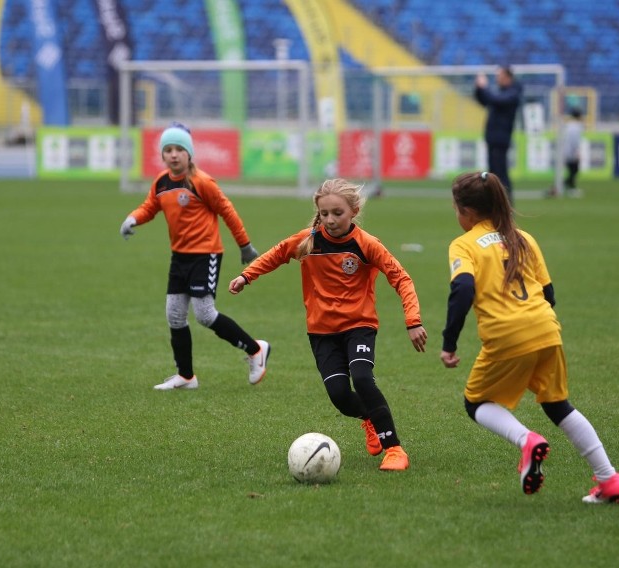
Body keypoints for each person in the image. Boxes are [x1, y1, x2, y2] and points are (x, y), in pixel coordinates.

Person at [440, 171, 619, 504]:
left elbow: (463, 288)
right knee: (558, 405)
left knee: (476, 402)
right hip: (546, 329)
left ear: (466, 212)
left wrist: (449, 343)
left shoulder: (464, 244)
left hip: (507, 336)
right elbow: (549, 292)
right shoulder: (523, 237)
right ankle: (610, 479)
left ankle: (527, 440)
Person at [228, 178, 428, 471]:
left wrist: (413, 321)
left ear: (354, 211)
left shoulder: (366, 244)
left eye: (338, 213)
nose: (331, 220)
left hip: (359, 325)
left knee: (361, 378)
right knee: (338, 394)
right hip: (321, 331)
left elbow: (401, 278)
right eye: (325, 214)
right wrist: (247, 276)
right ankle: (369, 418)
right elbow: (277, 254)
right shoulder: (308, 241)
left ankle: (394, 449)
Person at [120, 122, 270, 390]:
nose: (174, 155)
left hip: (206, 254)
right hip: (179, 257)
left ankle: (255, 349)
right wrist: (133, 218)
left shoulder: (202, 182)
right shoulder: (161, 182)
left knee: (204, 314)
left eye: (179, 149)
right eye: (168, 150)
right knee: (174, 315)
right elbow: (149, 206)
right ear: (163, 155)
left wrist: (245, 245)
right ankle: (186, 376)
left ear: (189, 153)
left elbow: (228, 211)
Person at [474, 66, 522, 201]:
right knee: (494, 172)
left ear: (507, 77)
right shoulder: (502, 92)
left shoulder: (513, 93)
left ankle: (506, 203)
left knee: (500, 173)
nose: (497, 79)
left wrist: (483, 87)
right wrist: (479, 89)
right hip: (494, 138)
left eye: (499, 76)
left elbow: (494, 99)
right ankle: (498, 203)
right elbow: (485, 100)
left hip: (501, 138)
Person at [562, 107, 584, 195]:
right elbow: (575, 141)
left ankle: (568, 186)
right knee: (574, 169)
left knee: (572, 170)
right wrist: (577, 152)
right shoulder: (577, 127)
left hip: (566, 150)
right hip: (571, 151)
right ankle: (569, 186)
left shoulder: (569, 125)